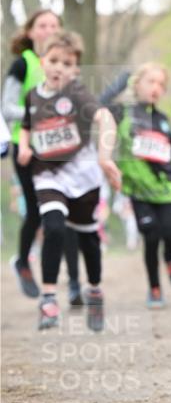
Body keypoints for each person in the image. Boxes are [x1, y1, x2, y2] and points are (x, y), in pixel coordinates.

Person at [17, 31, 120, 331]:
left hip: (83, 174)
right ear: (42, 61)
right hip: (48, 173)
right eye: (53, 60)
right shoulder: (32, 95)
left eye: (67, 63)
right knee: (53, 227)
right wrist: (24, 147)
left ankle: (95, 291)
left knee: (89, 239)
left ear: (76, 68)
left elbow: (105, 119)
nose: (59, 67)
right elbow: (26, 125)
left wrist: (105, 157)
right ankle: (48, 299)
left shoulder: (76, 92)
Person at [3, 10, 82, 304]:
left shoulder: (66, 65)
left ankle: (74, 284)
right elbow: (6, 106)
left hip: (61, 149)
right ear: (31, 32)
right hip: (27, 149)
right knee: (37, 212)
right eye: (42, 25)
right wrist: (36, 117)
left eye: (53, 25)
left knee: (67, 212)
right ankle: (23, 262)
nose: (48, 29)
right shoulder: (23, 64)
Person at [110, 63, 171, 308]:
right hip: (138, 190)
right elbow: (99, 106)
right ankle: (154, 288)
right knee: (151, 236)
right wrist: (120, 82)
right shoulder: (123, 112)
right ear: (137, 84)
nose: (156, 88)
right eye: (150, 82)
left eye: (161, 85)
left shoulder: (163, 120)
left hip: (165, 189)